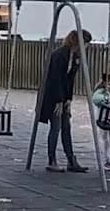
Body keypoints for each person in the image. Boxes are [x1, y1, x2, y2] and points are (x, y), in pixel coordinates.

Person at [39, 29, 92, 173]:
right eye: (86, 43)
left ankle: (71, 160)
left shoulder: (75, 57)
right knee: (56, 126)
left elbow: (70, 80)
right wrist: (59, 101)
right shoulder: (59, 55)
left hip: (62, 96)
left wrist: (68, 100)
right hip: (52, 96)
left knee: (66, 126)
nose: (86, 46)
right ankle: (52, 160)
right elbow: (55, 79)